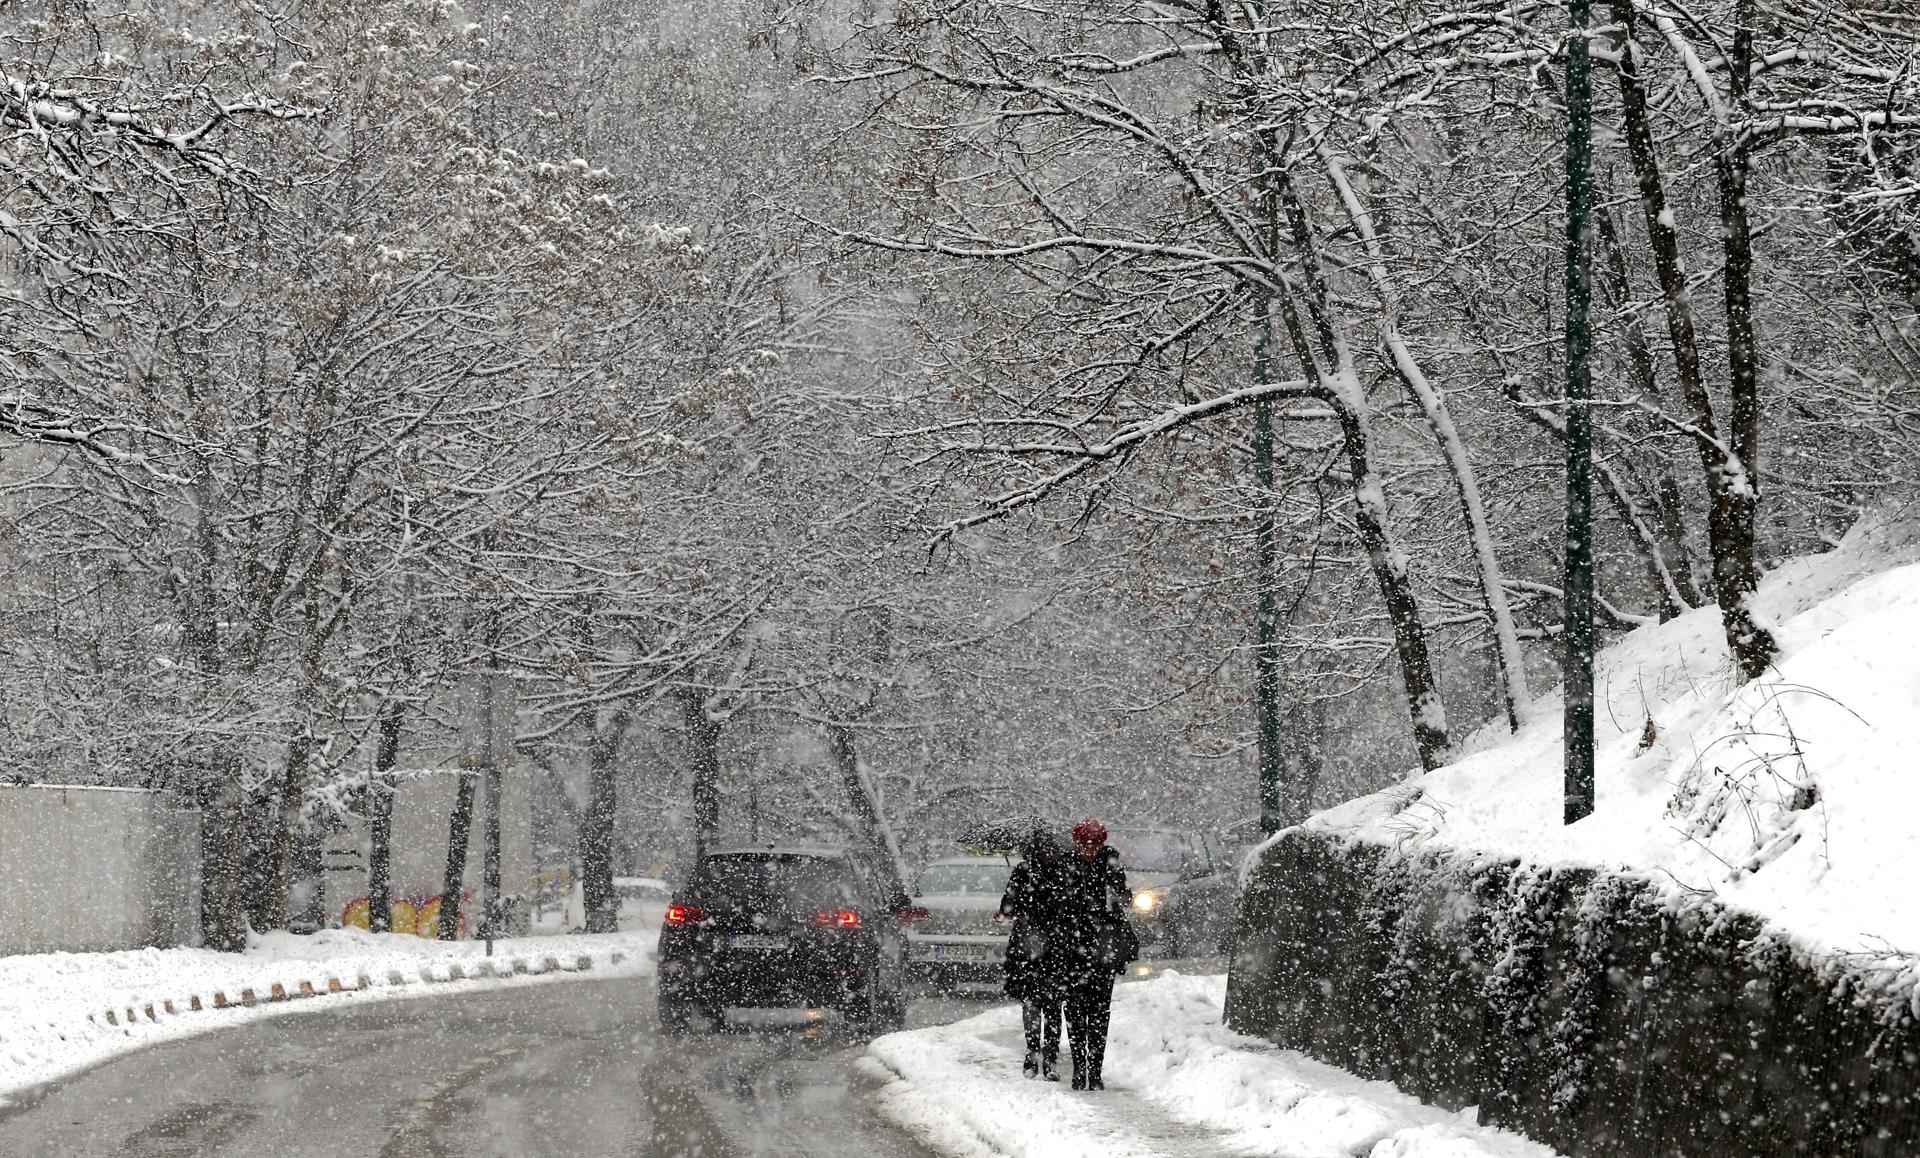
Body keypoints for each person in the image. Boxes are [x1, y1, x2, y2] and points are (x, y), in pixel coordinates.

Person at [1059, 817, 1136, 1091]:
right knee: (1076, 1010)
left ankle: (1096, 1069)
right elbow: (1062, 903)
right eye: (1085, 846)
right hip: (1075, 949)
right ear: (1078, 845)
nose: (1089, 851)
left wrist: (1122, 896)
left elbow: (1122, 895)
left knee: (1100, 1011)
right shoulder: (1067, 864)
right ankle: (1079, 1068)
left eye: (1094, 846)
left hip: (1103, 949)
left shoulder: (1110, 862)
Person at [998, 829, 1072, 1080]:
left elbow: (1008, 907)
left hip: (1047, 947)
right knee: (1036, 1003)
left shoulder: (1055, 872)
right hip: (1033, 947)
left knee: (1048, 1005)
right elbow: (1008, 906)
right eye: (1046, 850)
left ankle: (1046, 1057)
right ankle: (1035, 1053)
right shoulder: (1025, 871)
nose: (1050, 854)